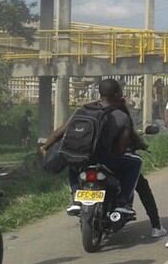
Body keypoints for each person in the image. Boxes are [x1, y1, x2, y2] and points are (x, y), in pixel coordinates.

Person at [41, 79, 144, 217]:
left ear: (100, 93)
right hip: (107, 160)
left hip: (84, 158)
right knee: (136, 162)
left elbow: (60, 132)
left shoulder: (83, 110)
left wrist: (45, 147)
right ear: (117, 94)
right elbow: (120, 150)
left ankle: (76, 199)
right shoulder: (121, 116)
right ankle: (122, 203)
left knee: (72, 158)